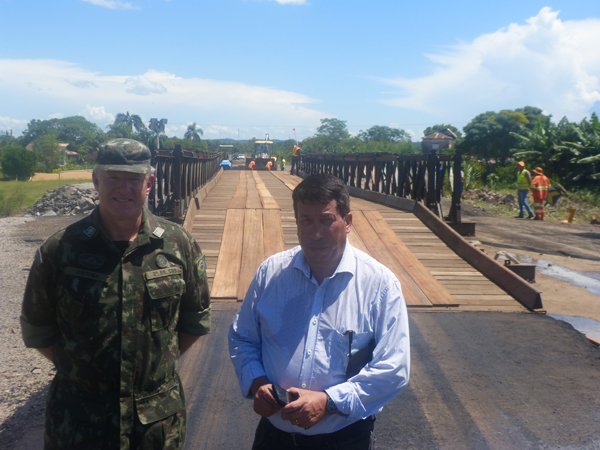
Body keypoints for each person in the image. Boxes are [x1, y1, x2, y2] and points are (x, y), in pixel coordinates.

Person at [20, 138, 211, 449]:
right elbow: (38, 331)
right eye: (113, 178)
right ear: (96, 180)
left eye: (134, 179)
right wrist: (85, 373)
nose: (124, 189)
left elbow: (195, 321)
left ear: (149, 183)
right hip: (79, 421)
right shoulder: (60, 249)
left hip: (156, 423)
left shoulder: (179, 245)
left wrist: (152, 369)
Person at [229, 173, 410, 450]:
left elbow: (394, 368)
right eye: (306, 221)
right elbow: (243, 337)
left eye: (326, 220)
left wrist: (330, 402)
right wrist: (257, 381)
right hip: (273, 438)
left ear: (347, 222)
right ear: (297, 222)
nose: (315, 234)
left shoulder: (380, 285)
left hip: (344, 439)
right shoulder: (270, 273)